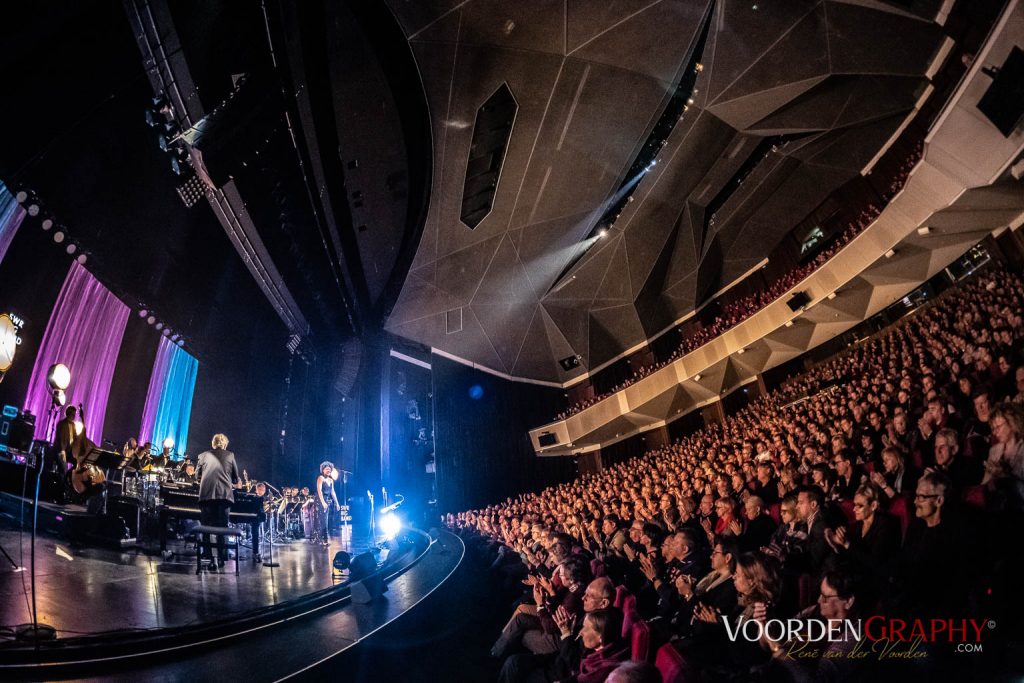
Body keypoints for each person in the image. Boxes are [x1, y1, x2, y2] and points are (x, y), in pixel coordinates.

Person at [195, 433, 240, 568]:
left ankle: (210, 559)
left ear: (213, 444)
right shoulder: (230, 455)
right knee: (222, 526)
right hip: (224, 496)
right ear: (225, 444)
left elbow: (197, 476)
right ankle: (221, 557)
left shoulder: (202, 456)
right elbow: (236, 479)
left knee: (207, 527)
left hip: (206, 496)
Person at [310, 461, 340, 545]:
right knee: (321, 520)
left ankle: (324, 539)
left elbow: (333, 492)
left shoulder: (331, 480)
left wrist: (337, 503)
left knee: (326, 519)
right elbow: (319, 491)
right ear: (323, 470)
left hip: (327, 500)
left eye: (329, 469)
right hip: (320, 500)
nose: (328, 470)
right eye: (326, 469)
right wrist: (323, 502)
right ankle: (321, 538)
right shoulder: (320, 478)